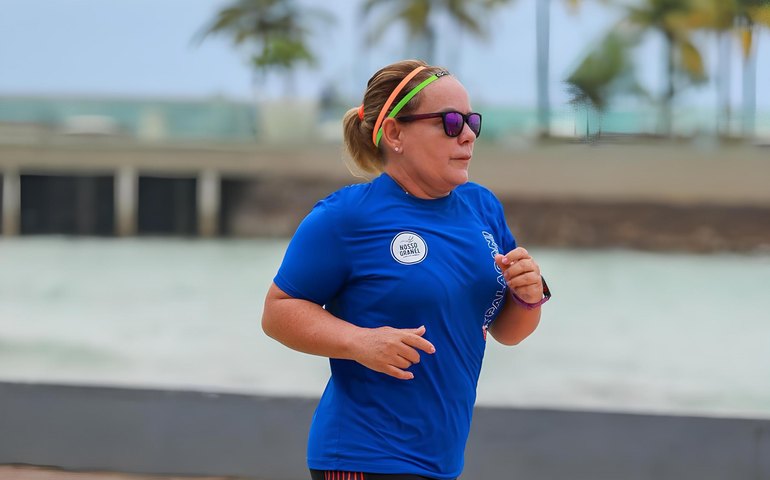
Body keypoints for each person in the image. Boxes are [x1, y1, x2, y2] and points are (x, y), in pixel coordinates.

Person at [262, 59, 551, 480]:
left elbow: (508, 332)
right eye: (450, 122)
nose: (467, 134)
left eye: (473, 121)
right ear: (395, 133)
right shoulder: (345, 217)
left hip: (441, 459)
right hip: (362, 456)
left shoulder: (482, 206)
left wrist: (527, 297)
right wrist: (359, 341)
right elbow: (277, 311)